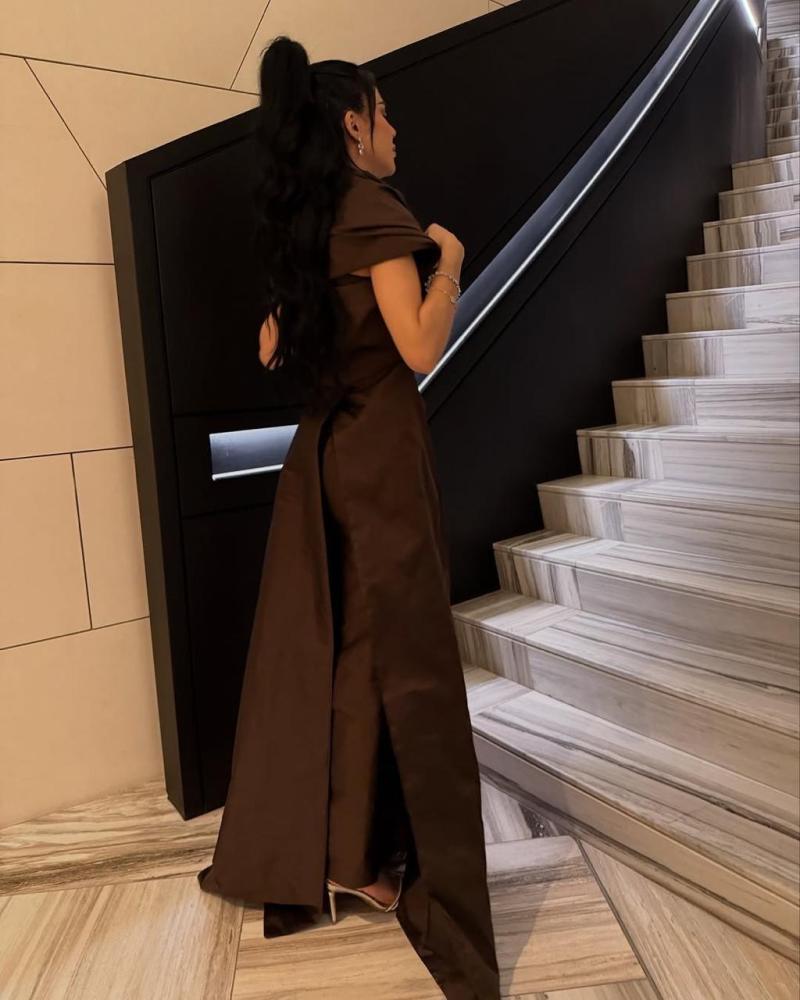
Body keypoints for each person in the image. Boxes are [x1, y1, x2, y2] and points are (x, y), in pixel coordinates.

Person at [197, 34, 502, 1000]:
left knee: (348, 653)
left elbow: (267, 350)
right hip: (379, 459)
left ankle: (346, 850)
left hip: (323, 456)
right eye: (384, 112)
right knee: (395, 658)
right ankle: (360, 859)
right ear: (353, 128)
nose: (395, 128)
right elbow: (419, 347)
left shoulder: (313, 226)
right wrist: (450, 263)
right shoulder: (376, 212)